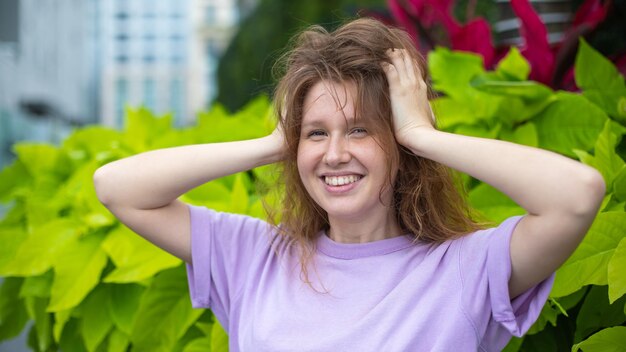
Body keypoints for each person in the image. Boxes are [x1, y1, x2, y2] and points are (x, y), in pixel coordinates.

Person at [93, 18, 605, 351]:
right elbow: (117, 187)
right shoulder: (254, 257)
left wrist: (421, 134)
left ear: (400, 148)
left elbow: (578, 195)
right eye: (317, 133)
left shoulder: (464, 269)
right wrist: (275, 142)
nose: (335, 153)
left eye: (360, 129)